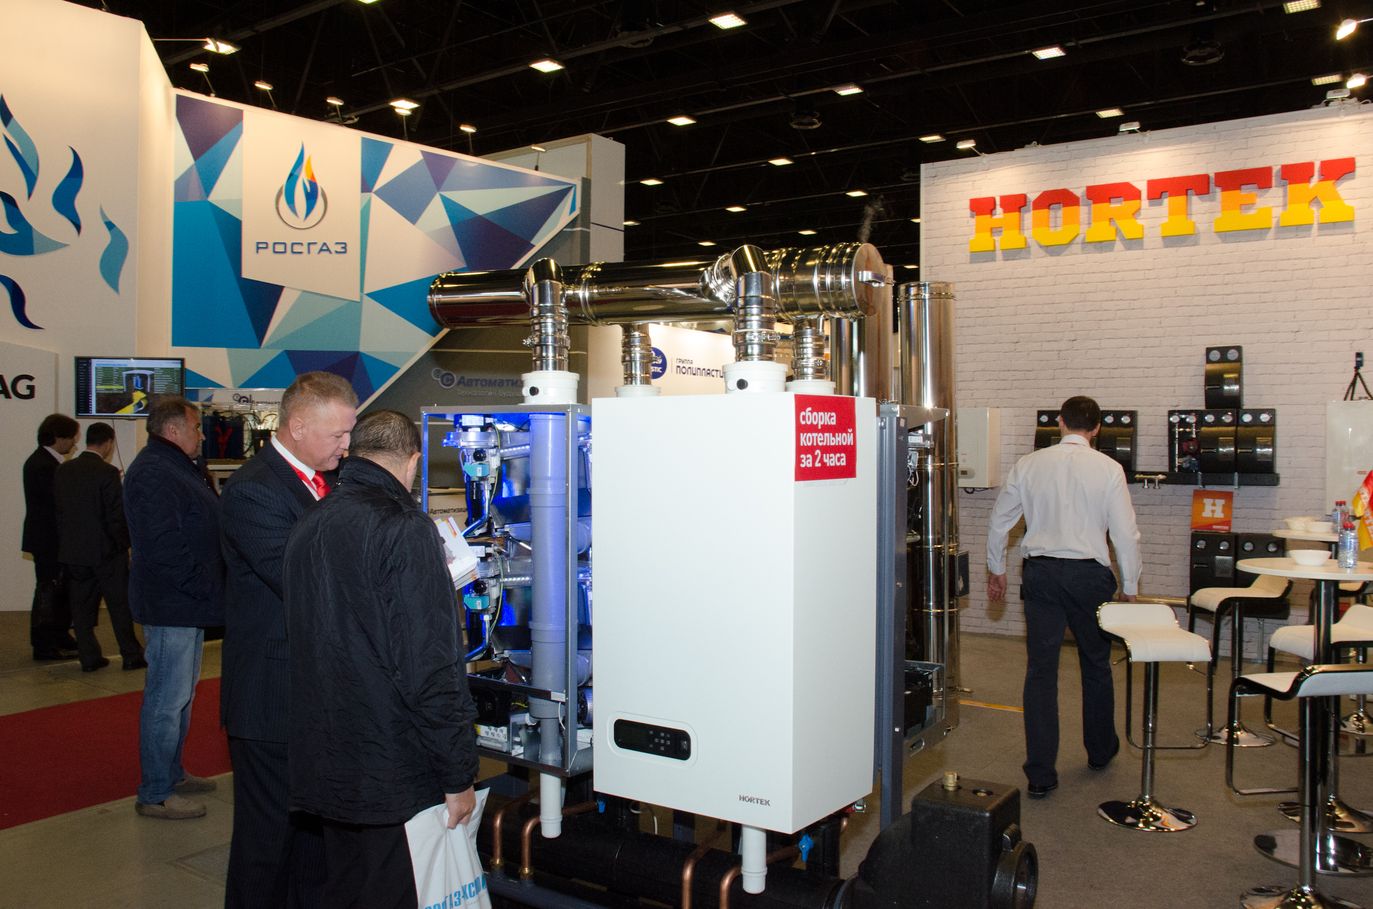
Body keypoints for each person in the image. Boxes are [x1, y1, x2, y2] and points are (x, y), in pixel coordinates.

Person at [284, 410, 478, 908]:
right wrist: (457, 774)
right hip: (393, 770)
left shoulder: (310, 522)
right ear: (413, 461)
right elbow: (429, 667)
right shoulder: (405, 528)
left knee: (349, 888)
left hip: (329, 759)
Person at [220, 371, 357, 908]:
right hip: (272, 700)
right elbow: (301, 579)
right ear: (297, 427)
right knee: (266, 846)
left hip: (316, 694)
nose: (346, 446)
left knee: (313, 843)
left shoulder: (329, 481)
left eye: (349, 433)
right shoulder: (254, 490)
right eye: (337, 435)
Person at [985, 395, 1141, 799]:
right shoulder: (1109, 469)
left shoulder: (1029, 464)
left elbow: (1000, 520)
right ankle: (1100, 751)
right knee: (1096, 663)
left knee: (1041, 670)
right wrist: (1131, 586)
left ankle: (1040, 773)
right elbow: (1124, 534)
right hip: (1090, 577)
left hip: (1041, 574)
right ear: (1097, 428)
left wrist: (996, 568)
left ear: (1059, 422)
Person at [124, 396, 224, 820]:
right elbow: (163, 545)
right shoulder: (154, 472)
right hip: (173, 605)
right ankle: (156, 792)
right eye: (196, 427)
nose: (201, 434)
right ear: (172, 430)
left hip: (187, 604)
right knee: (167, 699)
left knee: (181, 696)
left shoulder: (175, 467)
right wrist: (202, 586)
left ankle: (171, 772)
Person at [55, 421, 145, 672]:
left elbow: (59, 513)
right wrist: (124, 546)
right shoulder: (107, 473)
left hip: (74, 551)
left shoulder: (63, 471)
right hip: (107, 552)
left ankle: (89, 657)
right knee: (119, 606)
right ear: (108, 443)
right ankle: (130, 654)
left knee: (81, 608)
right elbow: (115, 516)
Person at [22, 413, 80, 661]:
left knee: (57, 590)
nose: (74, 443)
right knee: (48, 591)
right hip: (48, 539)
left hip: (49, 538)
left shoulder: (44, 462)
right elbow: (57, 505)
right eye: (72, 438)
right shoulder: (44, 466)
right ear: (59, 437)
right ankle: (44, 644)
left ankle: (58, 635)